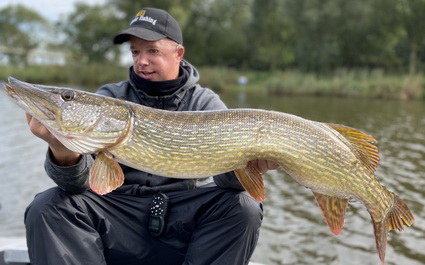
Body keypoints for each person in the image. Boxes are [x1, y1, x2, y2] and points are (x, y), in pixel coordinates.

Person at [24, 7, 278, 265]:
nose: (141, 61)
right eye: (135, 52)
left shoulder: (205, 103)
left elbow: (226, 180)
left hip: (184, 218)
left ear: (178, 54)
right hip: (119, 215)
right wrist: (63, 151)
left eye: (152, 51)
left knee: (242, 206)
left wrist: (249, 166)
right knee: (48, 206)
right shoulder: (110, 98)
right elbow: (78, 185)